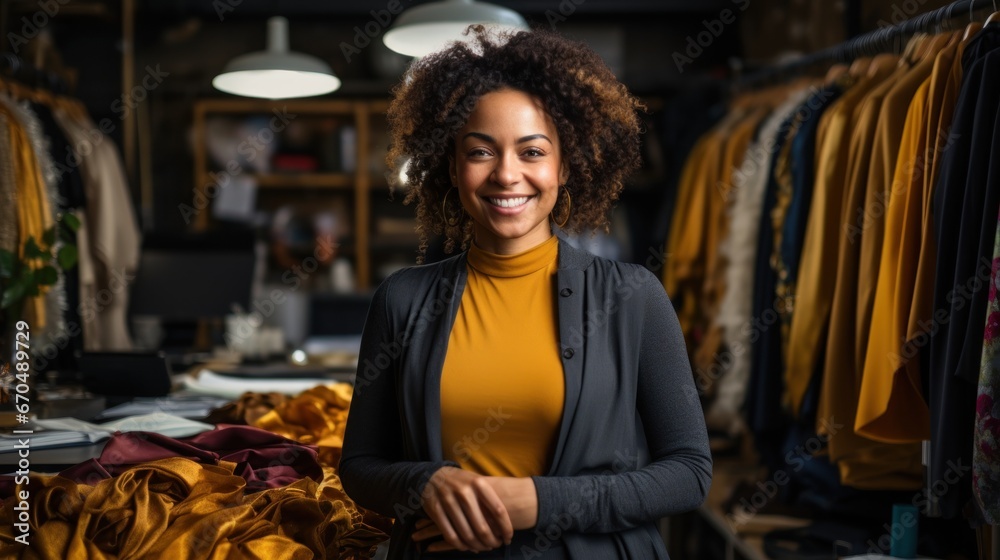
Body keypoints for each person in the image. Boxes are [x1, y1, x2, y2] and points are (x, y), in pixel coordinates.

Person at [340, 26, 711, 560]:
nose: (507, 174)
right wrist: (423, 483)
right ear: (452, 166)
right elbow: (359, 467)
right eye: (481, 152)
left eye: (532, 151)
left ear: (564, 165)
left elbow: (688, 472)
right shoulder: (403, 299)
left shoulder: (632, 298)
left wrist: (541, 501)